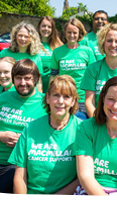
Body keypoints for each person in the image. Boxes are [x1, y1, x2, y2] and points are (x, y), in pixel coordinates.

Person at [8, 75, 81, 194]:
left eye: (66, 97)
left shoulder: (81, 130)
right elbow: (20, 176)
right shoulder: (30, 128)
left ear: (73, 101)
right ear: (47, 97)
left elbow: (81, 178)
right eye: (56, 95)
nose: (60, 101)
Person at [0, 59, 47, 193]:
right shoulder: (4, 98)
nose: (22, 83)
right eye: (18, 78)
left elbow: (53, 136)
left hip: (20, 165)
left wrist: (26, 140)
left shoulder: (45, 103)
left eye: (27, 78)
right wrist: (1, 135)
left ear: (36, 79)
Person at [50, 18, 96, 120]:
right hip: (64, 98)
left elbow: (93, 76)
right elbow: (53, 76)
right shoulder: (57, 52)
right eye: (69, 32)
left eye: (75, 33)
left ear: (79, 33)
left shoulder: (87, 51)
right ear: (65, 33)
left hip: (83, 99)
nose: (71, 35)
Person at [0, 21, 44, 92]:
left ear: (32, 38)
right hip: (7, 95)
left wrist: (38, 100)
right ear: (15, 36)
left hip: (28, 96)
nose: (22, 39)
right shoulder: (4, 53)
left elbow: (38, 82)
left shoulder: (35, 57)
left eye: (26, 36)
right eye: (20, 35)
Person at [37, 16, 63, 93]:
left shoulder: (59, 45)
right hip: (36, 85)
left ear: (52, 29)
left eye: (49, 27)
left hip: (53, 86)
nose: (46, 29)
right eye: (43, 26)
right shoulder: (33, 45)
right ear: (39, 27)